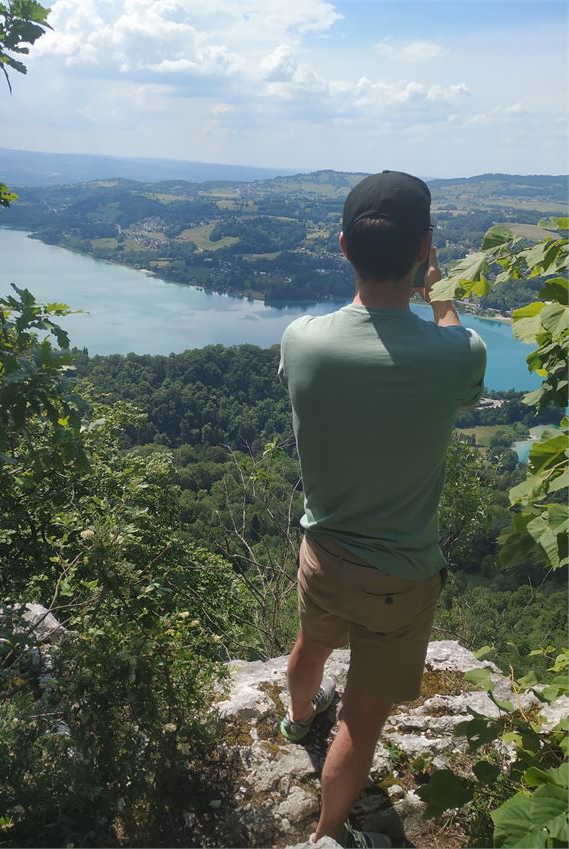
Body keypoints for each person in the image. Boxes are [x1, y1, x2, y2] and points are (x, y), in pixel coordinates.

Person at [277, 170, 487, 848]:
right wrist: (442, 299)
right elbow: (457, 352)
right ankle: (330, 834)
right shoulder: (455, 354)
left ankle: (296, 719)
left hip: (322, 552)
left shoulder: (302, 340)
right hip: (400, 575)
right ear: (426, 249)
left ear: (342, 245)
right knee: (361, 720)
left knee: (309, 643)